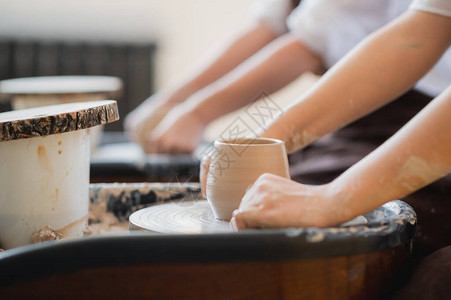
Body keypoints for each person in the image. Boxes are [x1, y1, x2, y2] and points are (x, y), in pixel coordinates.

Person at [222, 0, 451, 264]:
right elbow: (420, 33)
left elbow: (310, 45)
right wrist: (265, 142)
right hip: (376, 119)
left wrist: (332, 198)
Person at [126, 0, 432, 154]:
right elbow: (267, 27)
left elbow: (309, 44)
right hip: (353, 121)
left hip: (410, 117)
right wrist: (169, 103)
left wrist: (197, 114)